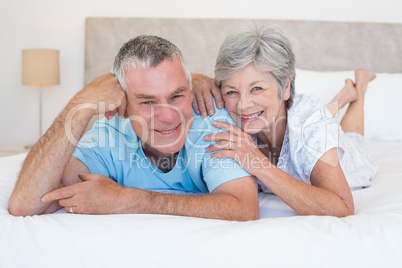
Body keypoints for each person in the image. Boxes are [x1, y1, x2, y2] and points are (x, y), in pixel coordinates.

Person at [8, 35, 259, 221]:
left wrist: (128, 199)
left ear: (190, 89)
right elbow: (26, 205)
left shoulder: (211, 120)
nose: (168, 117)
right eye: (147, 101)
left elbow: (244, 208)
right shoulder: (109, 134)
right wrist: (80, 105)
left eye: (176, 96)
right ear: (123, 104)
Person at [191, 23, 377, 217]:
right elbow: (181, 82)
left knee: (353, 137)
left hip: (339, 148)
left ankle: (359, 90)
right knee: (324, 118)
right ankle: (342, 98)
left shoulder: (313, 125)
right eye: (232, 91)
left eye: (257, 88)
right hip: (304, 118)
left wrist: (259, 164)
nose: (243, 105)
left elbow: (343, 208)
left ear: (286, 87)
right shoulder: (228, 109)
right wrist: (198, 80)